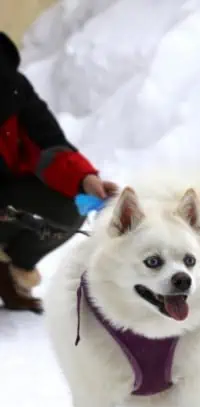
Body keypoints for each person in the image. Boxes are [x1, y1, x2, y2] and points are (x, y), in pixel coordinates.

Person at [0, 31, 117, 314]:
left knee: (71, 205)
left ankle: (8, 272)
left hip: (6, 194)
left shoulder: (11, 86)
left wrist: (85, 180)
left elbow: (48, 143)